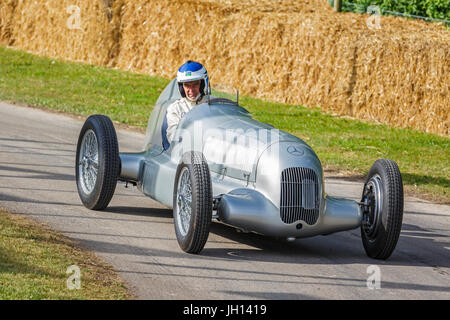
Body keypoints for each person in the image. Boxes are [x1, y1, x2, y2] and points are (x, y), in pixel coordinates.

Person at [165, 61, 210, 143]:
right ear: (181, 87)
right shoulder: (175, 108)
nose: (191, 90)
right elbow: (173, 137)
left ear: (203, 84)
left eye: (195, 84)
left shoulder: (214, 104)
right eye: (187, 85)